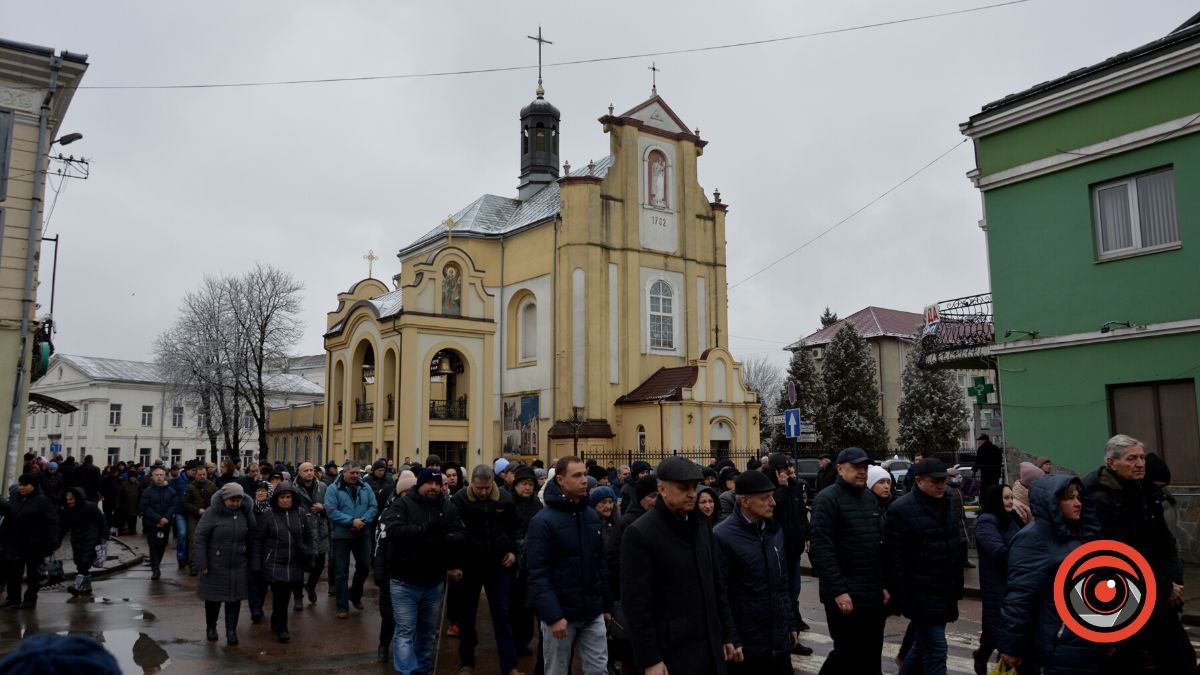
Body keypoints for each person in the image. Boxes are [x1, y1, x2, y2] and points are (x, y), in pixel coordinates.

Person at [1082, 435, 1196, 673]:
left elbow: (1166, 541)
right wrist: (1166, 587)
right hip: (1128, 600)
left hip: (1160, 594)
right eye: (1131, 458)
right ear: (1112, 463)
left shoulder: (1147, 492)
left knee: (1181, 661)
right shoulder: (1099, 498)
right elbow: (1121, 555)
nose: (1140, 463)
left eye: (1142, 457)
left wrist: (1174, 581)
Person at [621, 457, 735, 675]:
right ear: (662, 489)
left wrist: (727, 634)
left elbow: (717, 586)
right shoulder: (641, 533)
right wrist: (650, 659)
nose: (692, 493)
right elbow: (636, 605)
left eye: (694, 487)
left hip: (709, 647)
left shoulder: (701, 526)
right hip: (672, 652)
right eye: (684, 488)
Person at [999, 475, 1106, 673]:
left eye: (1078, 497)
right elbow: (1019, 597)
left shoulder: (1082, 535)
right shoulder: (1033, 538)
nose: (1077, 503)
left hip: (1089, 645)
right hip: (1055, 648)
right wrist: (1011, 646)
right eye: (1069, 498)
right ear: (1052, 503)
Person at [526, 456, 612, 675]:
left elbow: (599, 564)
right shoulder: (542, 521)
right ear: (561, 480)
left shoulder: (591, 516)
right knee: (557, 670)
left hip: (592, 612)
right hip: (561, 614)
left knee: (599, 670)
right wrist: (554, 616)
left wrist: (606, 606)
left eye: (585, 474)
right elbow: (538, 573)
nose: (584, 480)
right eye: (577, 475)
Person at [808, 447, 888, 674]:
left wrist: (883, 585)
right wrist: (839, 591)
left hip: (871, 594)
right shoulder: (827, 500)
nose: (862, 472)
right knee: (847, 653)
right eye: (856, 467)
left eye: (864, 467)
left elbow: (876, 545)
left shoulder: (869, 499)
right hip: (845, 596)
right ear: (840, 469)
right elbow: (822, 551)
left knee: (872, 653)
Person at [380, 468, 465, 674]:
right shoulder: (403, 504)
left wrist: (445, 540)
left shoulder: (447, 506)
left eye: (438, 484)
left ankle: (422, 669)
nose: (434, 487)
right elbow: (393, 531)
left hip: (433, 581)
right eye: (429, 483)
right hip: (404, 580)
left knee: (427, 632)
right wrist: (425, 531)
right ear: (420, 484)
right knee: (406, 631)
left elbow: (461, 533)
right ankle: (406, 671)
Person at [713, 470, 799, 675]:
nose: (773, 502)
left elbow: (783, 583)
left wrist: (790, 622)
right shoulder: (722, 536)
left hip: (778, 641)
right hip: (747, 645)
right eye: (765, 498)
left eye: (772, 495)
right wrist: (731, 637)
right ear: (745, 501)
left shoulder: (774, 530)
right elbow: (719, 594)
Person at [886, 457, 964, 675]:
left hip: (944, 591)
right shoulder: (901, 509)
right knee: (937, 651)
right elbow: (895, 559)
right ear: (919, 481)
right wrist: (903, 598)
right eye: (935, 481)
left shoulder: (947, 503)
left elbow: (953, 547)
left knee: (922, 647)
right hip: (920, 595)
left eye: (943, 480)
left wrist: (957, 585)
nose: (941, 485)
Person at [451, 464, 522, 675]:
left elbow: (516, 527)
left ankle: (510, 666)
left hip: (497, 565)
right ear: (472, 482)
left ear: (492, 483)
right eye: (479, 487)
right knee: (467, 616)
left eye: (486, 487)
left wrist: (514, 551)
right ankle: (466, 663)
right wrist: (454, 563)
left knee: (502, 615)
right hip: (470, 565)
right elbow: (452, 531)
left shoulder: (505, 499)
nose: (483, 492)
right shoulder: (459, 500)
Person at [193, 483, 255, 645]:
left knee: (234, 600)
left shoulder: (245, 512)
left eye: (238, 500)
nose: (235, 503)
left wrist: (250, 558)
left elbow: (251, 536)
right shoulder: (211, 513)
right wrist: (202, 563)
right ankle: (211, 627)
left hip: (238, 563)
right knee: (213, 599)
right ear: (224, 499)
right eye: (231, 500)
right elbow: (200, 538)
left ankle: (231, 631)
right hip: (215, 564)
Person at [764, 452, 813, 649]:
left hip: (794, 550)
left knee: (793, 593)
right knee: (785, 595)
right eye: (786, 469)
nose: (791, 471)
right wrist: (782, 489)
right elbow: (772, 509)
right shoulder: (772, 490)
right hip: (778, 552)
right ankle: (790, 637)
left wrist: (807, 536)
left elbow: (802, 514)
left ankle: (793, 627)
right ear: (776, 472)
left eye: (790, 467)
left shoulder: (794, 487)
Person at [252, 481, 312, 643]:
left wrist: (308, 552)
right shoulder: (268, 515)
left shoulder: (300, 513)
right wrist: (257, 564)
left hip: (294, 562)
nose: (286, 500)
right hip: (274, 562)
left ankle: (276, 620)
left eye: (288, 497)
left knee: (285, 597)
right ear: (276, 499)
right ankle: (282, 628)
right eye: (282, 497)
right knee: (280, 596)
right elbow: (258, 541)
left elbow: (307, 536)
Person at [973, 484, 1022, 675]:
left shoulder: (1011, 519)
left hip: (1014, 581)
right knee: (998, 628)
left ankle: (989, 656)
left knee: (1002, 629)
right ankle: (986, 656)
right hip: (996, 583)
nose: (1010, 501)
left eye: (1011, 497)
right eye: (1006, 498)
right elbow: (997, 551)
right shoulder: (986, 522)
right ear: (996, 500)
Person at [324, 460, 378, 619]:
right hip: (342, 534)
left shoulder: (365, 487)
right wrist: (350, 521)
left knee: (364, 566)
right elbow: (331, 511)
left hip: (362, 532)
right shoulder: (333, 489)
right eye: (352, 473)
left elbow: (373, 506)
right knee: (341, 571)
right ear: (344, 472)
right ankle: (342, 606)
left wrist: (363, 521)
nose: (356, 475)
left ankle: (355, 595)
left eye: (357, 472)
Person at [374, 470, 416, 661]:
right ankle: (384, 644)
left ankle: (407, 654)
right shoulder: (388, 513)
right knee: (389, 614)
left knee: (410, 617)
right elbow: (379, 545)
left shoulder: (419, 510)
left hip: (411, 571)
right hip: (390, 571)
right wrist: (380, 571)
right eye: (404, 493)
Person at [0, 474, 60, 608]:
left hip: (35, 545)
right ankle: (13, 598)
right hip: (15, 544)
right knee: (13, 574)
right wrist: (2, 539)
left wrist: (52, 543)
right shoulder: (15, 498)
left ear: (33, 486)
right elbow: (8, 520)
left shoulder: (42, 501)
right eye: (20, 484)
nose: (21, 487)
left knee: (33, 575)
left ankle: (30, 600)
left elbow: (53, 523)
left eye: (24, 485)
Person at [509, 466, 543, 658]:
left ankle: (524, 640)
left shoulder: (536, 505)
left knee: (529, 606)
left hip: (531, 563)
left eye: (530, 484)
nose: (527, 488)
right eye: (524, 484)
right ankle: (514, 642)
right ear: (516, 485)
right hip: (512, 564)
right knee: (515, 605)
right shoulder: (508, 503)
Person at [59, 487, 107, 596]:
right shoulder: (67, 511)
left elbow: (102, 520)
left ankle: (77, 586)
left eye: (71, 499)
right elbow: (63, 527)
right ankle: (87, 587)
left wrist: (104, 536)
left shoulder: (90, 507)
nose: (69, 502)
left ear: (77, 498)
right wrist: (57, 541)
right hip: (77, 538)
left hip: (92, 536)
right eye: (67, 500)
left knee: (85, 561)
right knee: (79, 561)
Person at [293, 462, 329, 605]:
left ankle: (311, 586)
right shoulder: (293, 488)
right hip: (300, 530)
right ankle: (298, 597)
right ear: (299, 472)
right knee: (299, 566)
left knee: (320, 564)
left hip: (320, 530)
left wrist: (324, 508)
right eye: (306, 470)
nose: (309, 472)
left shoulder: (322, 487)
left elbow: (332, 505)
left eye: (311, 470)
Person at [138, 467, 176, 580]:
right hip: (151, 523)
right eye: (156, 475)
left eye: (161, 475)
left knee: (162, 545)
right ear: (152, 477)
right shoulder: (147, 491)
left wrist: (165, 519)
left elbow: (173, 506)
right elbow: (144, 507)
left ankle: (157, 563)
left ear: (165, 476)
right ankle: (155, 568)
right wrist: (158, 519)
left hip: (165, 523)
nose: (159, 477)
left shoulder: (171, 491)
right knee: (153, 545)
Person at [182, 465, 217, 576]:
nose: (202, 476)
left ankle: (208, 563)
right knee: (194, 540)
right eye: (200, 475)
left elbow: (217, 500)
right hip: (195, 517)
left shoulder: (211, 486)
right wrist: (197, 510)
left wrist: (210, 509)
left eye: (204, 474)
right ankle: (193, 564)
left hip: (209, 516)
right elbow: (185, 503)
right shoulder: (190, 487)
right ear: (195, 475)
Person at [170, 461, 195, 570]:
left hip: (192, 513)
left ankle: (190, 559)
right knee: (182, 533)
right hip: (180, 512)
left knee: (192, 536)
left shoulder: (196, 481)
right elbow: (171, 495)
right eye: (193, 470)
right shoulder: (177, 481)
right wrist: (174, 509)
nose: (195, 472)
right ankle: (181, 558)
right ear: (187, 470)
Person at [116, 471, 142, 535]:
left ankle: (132, 531)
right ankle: (121, 531)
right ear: (129, 477)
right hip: (125, 505)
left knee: (133, 519)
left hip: (135, 505)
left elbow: (140, 495)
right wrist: (118, 504)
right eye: (131, 477)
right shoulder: (124, 484)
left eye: (134, 477)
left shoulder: (138, 485)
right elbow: (119, 495)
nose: (132, 478)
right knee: (123, 519)